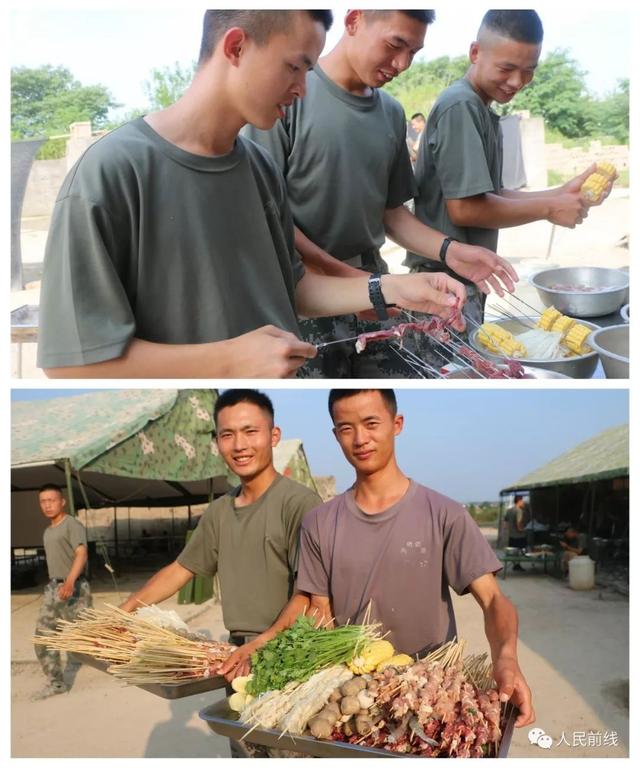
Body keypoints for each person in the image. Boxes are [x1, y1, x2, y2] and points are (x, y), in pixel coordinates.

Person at [36, 10, 467, 380]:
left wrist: (391, 289)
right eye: (294, 67)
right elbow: (72, 366)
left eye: (309, 72)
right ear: (237, 47)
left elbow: (293, 288)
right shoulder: (111, 174)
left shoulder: (258, 169)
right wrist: (228, 360)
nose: (302, 90)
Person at [223, 389, 534, 729]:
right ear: (335, 435)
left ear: (396, 424)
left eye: (371, 423)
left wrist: (506, 657)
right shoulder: (319, 522)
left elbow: (492, 600)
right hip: (354, 702)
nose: (360, 439)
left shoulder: (444, 514)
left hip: (429, 694)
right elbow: (317, 610)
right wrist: (265, 644)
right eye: (346, 428)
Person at [243, 9, 517, 377]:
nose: (402, 63)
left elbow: (391, 211)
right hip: (304, 292)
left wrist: (452, 251)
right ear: (354, 20)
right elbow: (267, 215)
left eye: (414, 53)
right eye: (395, 44)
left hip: (374, 283)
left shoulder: (390, 112)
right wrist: (357, 282)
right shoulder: (291, 97)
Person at [407, 9, 615, 327]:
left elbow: (491, 194)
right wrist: (549, 208)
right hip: (443, 281)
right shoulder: (461, 105)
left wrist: (562, 192)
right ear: (475, 53)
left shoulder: (480, 107)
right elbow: (465, 208)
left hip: (467, 275)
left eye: (528, 70)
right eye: (506, 68)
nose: (517, 82)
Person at [33, 484, 92, 701]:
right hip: (53, 589)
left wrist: (69, 581)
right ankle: (56, 682)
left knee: (88, 636)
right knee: (43, 637)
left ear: (62, 502)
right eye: (43, 501)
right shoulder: (48, 531)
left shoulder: (72, 525)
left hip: (74, 589)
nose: (47, 505)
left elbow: (81, 554)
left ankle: (123, 665)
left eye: (52, 500)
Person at [504, 494, 528, 571]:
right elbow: (519, 523)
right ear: (519, 501)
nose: (523, 503)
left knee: (514, 551)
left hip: (511, 535)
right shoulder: (519, 511)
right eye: (522, 501)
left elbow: (505, 522)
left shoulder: (509, 510)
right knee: (522, 550)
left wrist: (509, 530)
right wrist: (522, 529)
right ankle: (518, 565)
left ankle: (515, 564)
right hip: (519, 536)